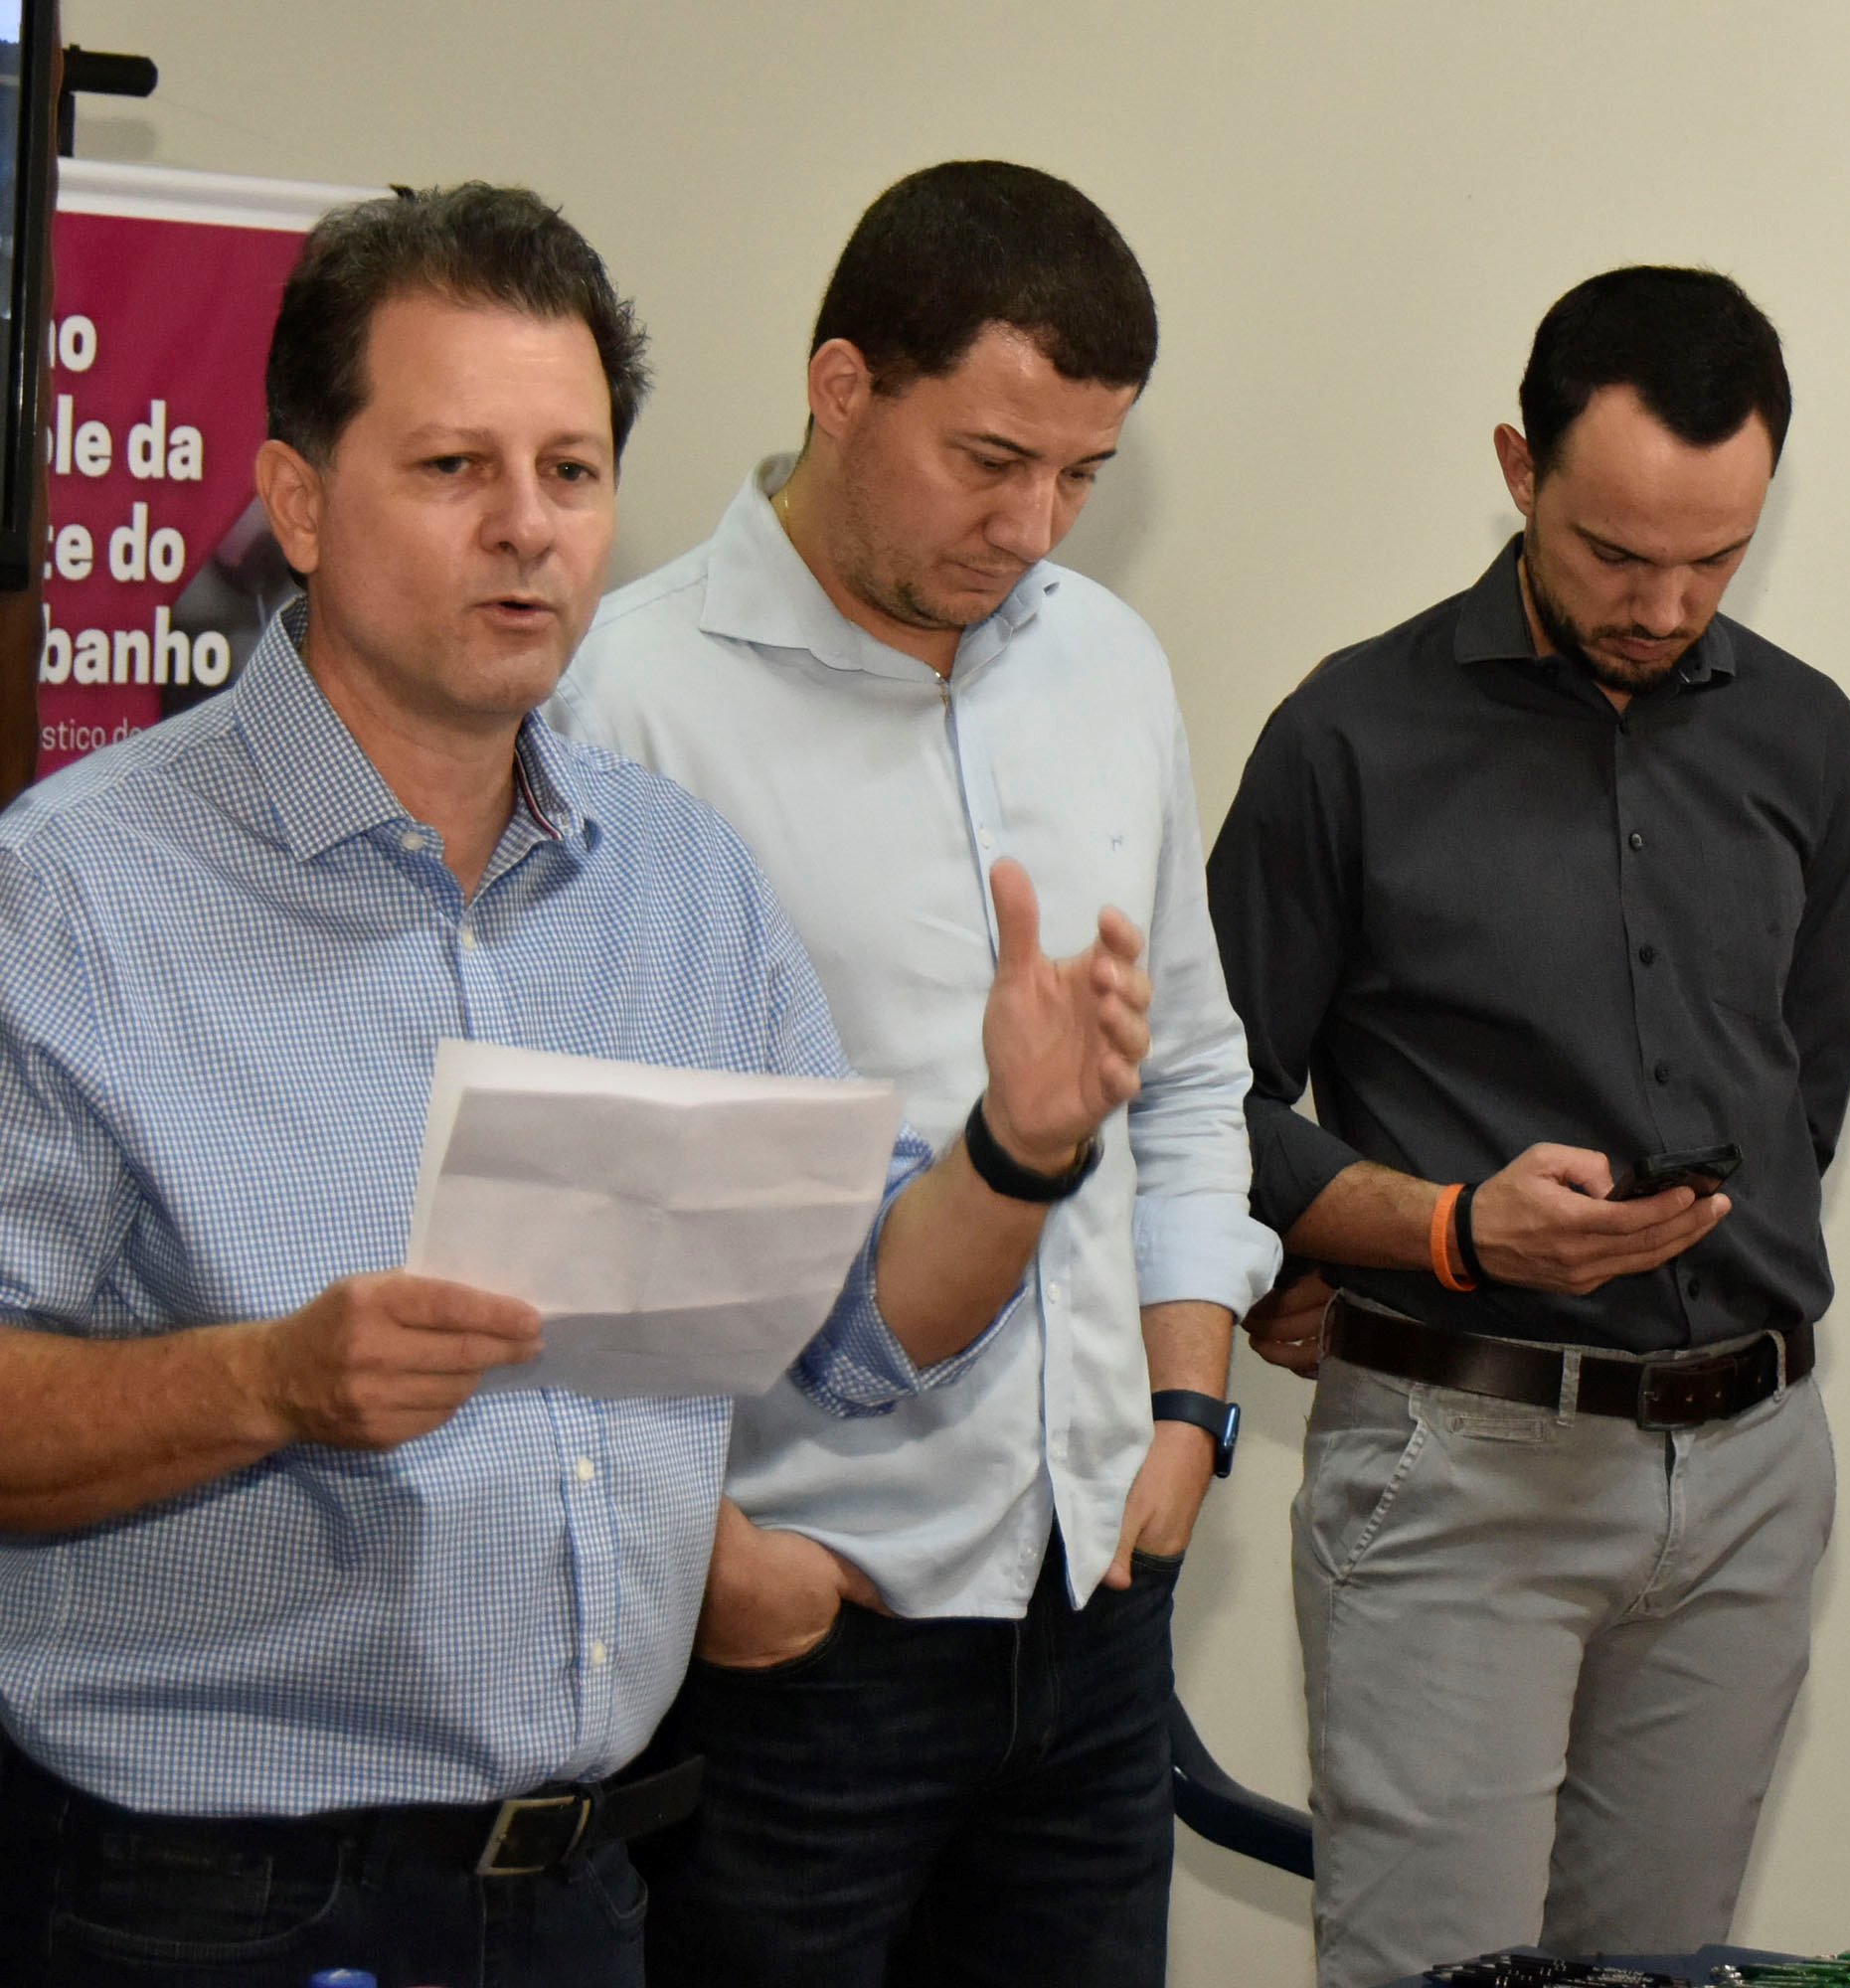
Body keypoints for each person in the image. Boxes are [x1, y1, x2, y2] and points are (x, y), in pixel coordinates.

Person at [0, 183, 1155, 1988]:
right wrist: (269, 1383)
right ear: (298, 501)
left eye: (573, 471)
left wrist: (1020, 1150)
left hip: (583, 1891)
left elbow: (858, 1334)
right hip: (212, 1904)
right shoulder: (73, 893)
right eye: (453, 468)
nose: (527, 530)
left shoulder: (682, 884)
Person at [549, 160, 1271, 1988]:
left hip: (1096, 1603)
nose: (1035, 526)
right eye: (991, 459)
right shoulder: (625, 703)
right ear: (842, 386)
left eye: (1085, 475)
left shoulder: (1106, 665)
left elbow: (1191, 1072)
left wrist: (1189, 1407)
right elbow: (569, 1212)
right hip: (806, 1640)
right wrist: (710, 1564)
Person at [1208, 265, 1850, 1988]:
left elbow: (1801, 1089)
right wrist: (1435, 1229)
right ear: (1519, 469)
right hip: (1463, 1466)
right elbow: (1201, 1104)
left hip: (1751, 1474)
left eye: (1716, 557)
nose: (1666, 604)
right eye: (1616, 553)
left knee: (1661, 1979)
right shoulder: (1349, 736)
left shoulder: (1808, 738)